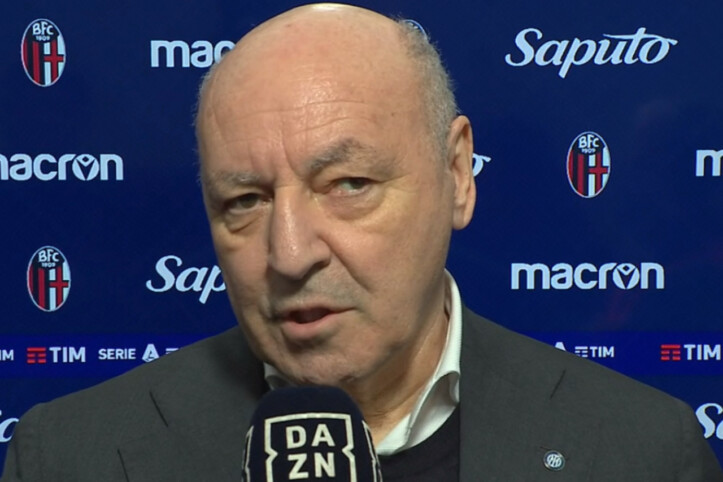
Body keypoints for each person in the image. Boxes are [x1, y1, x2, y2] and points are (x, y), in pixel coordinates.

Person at [2, 3, 722, 481]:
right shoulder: (68, 457)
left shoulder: (641, 451)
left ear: (457, 175)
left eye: (348, 184)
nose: (290, 255)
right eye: (245, 201)